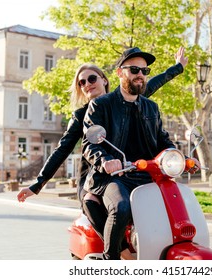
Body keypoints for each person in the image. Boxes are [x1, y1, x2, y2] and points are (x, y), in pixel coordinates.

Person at [16, 47, 188, 258]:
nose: (87, 84)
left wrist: (178, 67)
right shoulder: (85, 114)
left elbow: (153, 85)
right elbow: (63, 150)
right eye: (82, 82)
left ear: (105, 80)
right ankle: (118, 254)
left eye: (91, 78)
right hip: (96, 174)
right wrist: (38, 184)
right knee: (97, 202)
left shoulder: (138, 100)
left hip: (133, 171)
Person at [81, 47, 199, 260]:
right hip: (114, 176)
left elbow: (162, 140)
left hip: (148, 175)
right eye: (134, 69)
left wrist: (180, 157)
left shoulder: (151, 107)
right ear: (119, 73)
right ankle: (112, 260)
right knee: (121, 206)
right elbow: (89, 145)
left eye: (145, 71)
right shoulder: (100, 105)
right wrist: (106, 160)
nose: (140, 75)